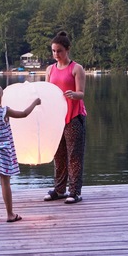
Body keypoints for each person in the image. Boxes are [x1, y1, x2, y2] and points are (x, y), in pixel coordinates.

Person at [0, 82, 41, 223]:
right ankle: (10, 214)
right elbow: (24, 114)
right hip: (4, 151)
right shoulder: (4, 111)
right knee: (5, 182)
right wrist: (35, 103)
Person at [44, 31, 87, 204]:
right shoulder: (49, 69)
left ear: (67, 49)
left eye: (59, 51)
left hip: (74, 117)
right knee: (59, 155)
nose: (56, 54)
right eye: (53, 51)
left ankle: (74, 191)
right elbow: (47, 93)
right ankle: (60, 189)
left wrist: (73, 95)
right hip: (56, 119)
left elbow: (81, 94)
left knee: (74, 156)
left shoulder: (76, 68)